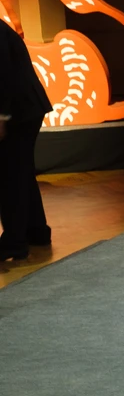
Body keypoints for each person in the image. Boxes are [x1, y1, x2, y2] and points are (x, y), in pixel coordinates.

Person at [0, 19, 52, 262]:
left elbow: (3, 75)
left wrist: (1, 117)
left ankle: (15, 243)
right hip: (24, 107)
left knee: (10, 175)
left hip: (19, 111)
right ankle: (36, 231)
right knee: (20, 171)